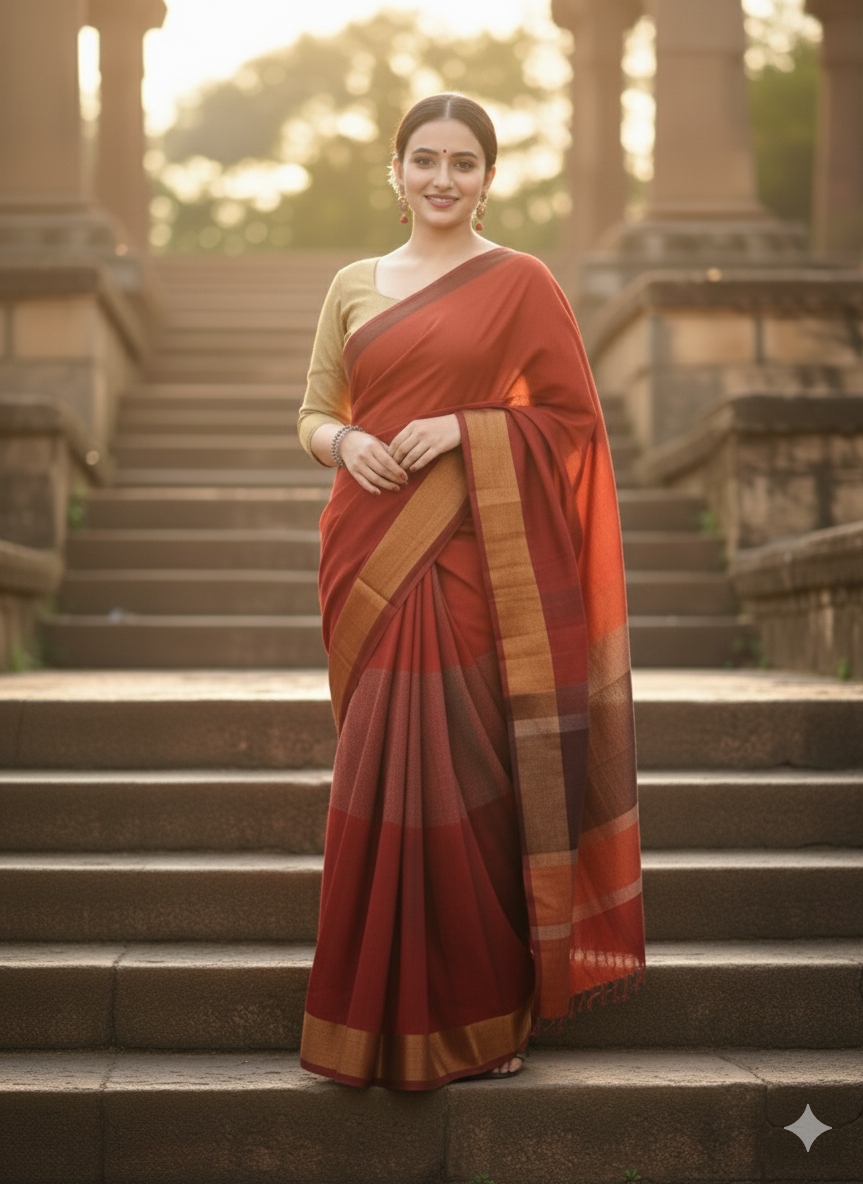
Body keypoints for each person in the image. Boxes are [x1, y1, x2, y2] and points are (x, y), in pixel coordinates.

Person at [296, 91, 647, 1091]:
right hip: (367, 548)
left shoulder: (522, 283)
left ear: (489, 178)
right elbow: (315, 410)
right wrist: (347, 439)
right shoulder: (354, 286)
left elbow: (575, 424)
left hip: (471, 564)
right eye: (425, 160)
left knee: (464, 780)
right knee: (375, 771)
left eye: (463, 161)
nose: (443, 178)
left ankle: (479, 1012)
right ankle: (362, 1016)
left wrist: (467, 429)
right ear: (396, 173)